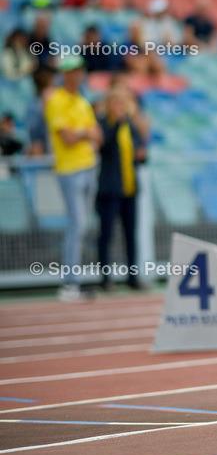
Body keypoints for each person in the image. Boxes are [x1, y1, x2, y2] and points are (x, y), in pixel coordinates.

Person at [44, 55, 102, 301]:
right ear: (64, 74)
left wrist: (83, 133)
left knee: (82, 226)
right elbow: (69, 138)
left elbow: (97, 136)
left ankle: (73, 281)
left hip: (88, 168)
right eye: (72, 71)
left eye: (80, 70)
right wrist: (84, 132)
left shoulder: (82, 101)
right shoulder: (57, 100)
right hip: (70, 170)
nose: (77, 75)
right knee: (76, 225)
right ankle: (70, 283)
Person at [96, 87, 147, 290]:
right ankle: (105, 278)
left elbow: (139, 148)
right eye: (116, 103)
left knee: (130, 235)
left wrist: (142, 154)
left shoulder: (130, 125)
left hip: (129, 188)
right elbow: (105, 145)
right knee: (107, 234)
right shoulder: (104, 124)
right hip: (109, 189)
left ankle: (132, 277)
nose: (120, 108)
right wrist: (117, 122)